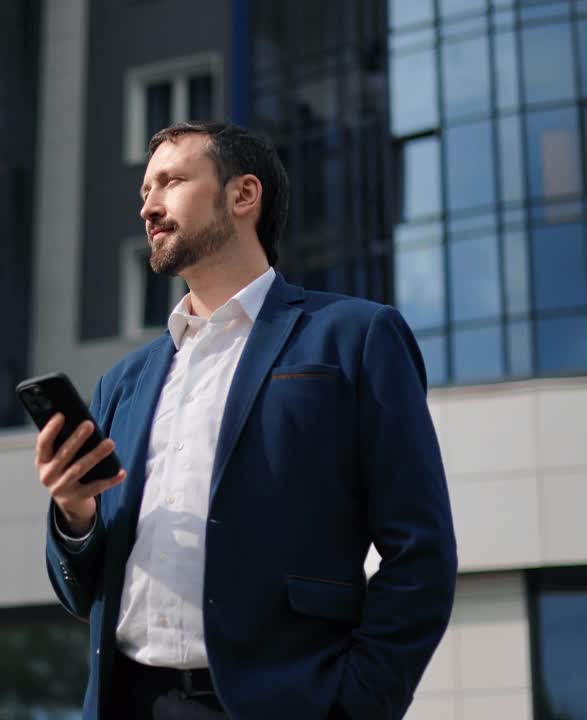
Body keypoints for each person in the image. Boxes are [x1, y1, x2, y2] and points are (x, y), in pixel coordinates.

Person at [37, 122, 457, 719]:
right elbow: (82, 593)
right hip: (127, 702)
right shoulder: (122, 384)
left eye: (171, 182)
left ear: (243, 195)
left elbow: (421, 553)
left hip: (285, 701)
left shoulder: (355, 337)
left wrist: (356, 706)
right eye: (143, 193)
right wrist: (75, 515)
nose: (150, 206)